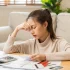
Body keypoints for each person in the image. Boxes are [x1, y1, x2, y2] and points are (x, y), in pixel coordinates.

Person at [3, 9, 70, 62]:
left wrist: (44, 56)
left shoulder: (58, 42)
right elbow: (7, 50)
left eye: (34, 27)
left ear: (45, 25)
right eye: (30, 28)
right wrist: (17, 29)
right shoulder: (31, 43)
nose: (31, 32)